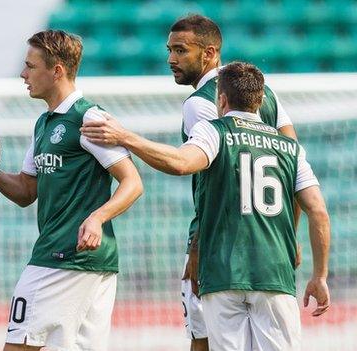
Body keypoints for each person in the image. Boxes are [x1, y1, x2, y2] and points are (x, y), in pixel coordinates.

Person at [81, 14, 299, 350]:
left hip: (221, 246)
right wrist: (290, 236)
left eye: (181, 50)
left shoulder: (201, 104)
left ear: (210, 53)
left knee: (204, 339)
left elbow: (208, 170)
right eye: (169, 50)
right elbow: (293, 166)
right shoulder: (266, 94)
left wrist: (197, 245)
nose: (171, 59)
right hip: (269, 246)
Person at [0, 30, 143, 351]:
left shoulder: (88, 117)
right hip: (87, 262)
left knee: (18, 346)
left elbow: (132, 182)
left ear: (57, 71)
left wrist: (98, 217)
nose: (23, 74)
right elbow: (26, 191)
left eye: (30, 66)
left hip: (61, 258)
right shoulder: (44, 124)